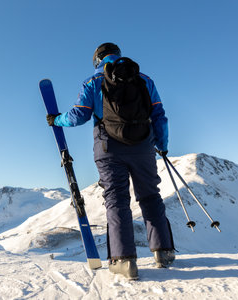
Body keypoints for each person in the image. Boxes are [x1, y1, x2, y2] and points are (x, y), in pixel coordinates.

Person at [46, 42, 175, 280]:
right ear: (118, 56)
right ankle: (163, 252)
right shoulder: (144, 80)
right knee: (150, 196)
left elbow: (78, 115)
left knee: (117, 200)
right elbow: (159, 114)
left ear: (97, 60)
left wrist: (56, 120)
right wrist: (162, 145)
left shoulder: (93, 82)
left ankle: (124, 260)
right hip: (144, 147)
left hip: (109, 148)